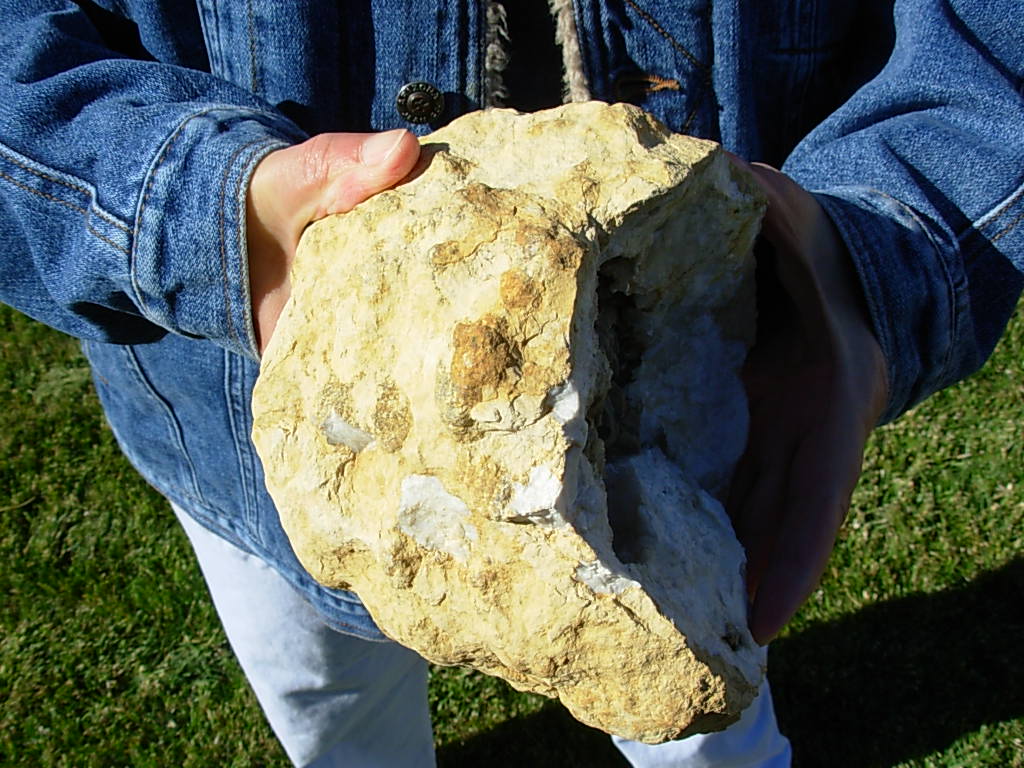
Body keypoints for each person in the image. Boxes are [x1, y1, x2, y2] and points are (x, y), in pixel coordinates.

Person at [0, 1, 1021, 765]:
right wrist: (201, 213)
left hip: (686, 406)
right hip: (243, 425)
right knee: (328, 701)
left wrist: (865, 262)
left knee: (693, 707)